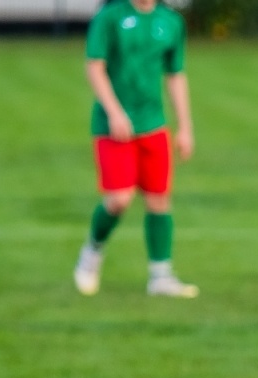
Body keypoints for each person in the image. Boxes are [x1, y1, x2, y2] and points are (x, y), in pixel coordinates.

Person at [72, 0, 198, 298]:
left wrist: (185, 126)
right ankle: (92, 252)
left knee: (159, 199)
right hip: (113, 126)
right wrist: (114, 111)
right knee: (119, 199)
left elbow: (175, 74)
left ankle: (161, 276)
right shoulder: (110, 18)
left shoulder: (171, 22)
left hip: (153, 123)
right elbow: (95, 66)